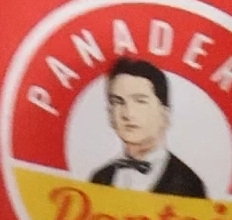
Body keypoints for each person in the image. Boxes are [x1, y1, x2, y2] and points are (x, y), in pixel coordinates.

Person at [86, 57, 209, 196]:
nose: (128, 114)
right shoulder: (99, 178)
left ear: (164, 114)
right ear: (110, 114)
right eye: (118, 102)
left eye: (140, 102)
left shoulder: (189, 183)